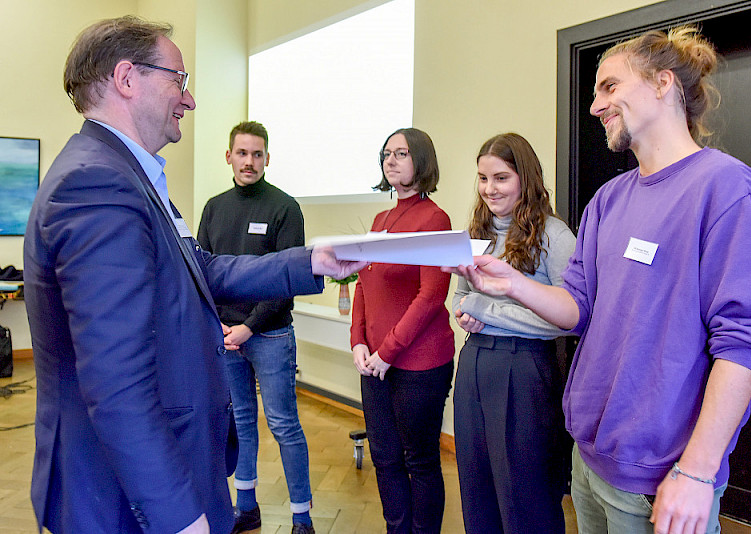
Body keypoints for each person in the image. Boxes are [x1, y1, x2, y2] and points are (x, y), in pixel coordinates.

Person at [449, 27, 751, 534]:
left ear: (662, 84)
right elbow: (577, 306)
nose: (595, 106)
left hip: (660, 475)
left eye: (609, 87)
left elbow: (745, 343)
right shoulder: (609, 198)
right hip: (589, 459)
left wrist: (697, 472)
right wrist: (512, 284)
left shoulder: (726, 189)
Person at [23, 16, 363, 534]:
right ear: (127, 79)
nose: (190, 99)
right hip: (123, 493)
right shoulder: (97, 184)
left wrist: (311, 260)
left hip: (160, 466)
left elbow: (198, 268)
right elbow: (115, 385)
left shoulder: (126, 173)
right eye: (179, 80)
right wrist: (179, 517)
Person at [452, 133, 575, 533]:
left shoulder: (555, 236)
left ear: (526, 178)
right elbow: (463, 297)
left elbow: (569, 318)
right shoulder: (477, 230)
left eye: (501, 178)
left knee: (525, 496)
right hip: (474, 364)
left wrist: (484, 309)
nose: (489, 189)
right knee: (476, 488)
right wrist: (466, 314)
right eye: (483, 179)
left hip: (523, 371)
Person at [197, 120, 314, 534]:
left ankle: (302, 516)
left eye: (257, 154)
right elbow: (203, 274)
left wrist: (247, 327)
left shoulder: (285, 208)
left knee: (283, 423)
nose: (250, 161)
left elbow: (286, 283)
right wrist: (220, 328)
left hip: (270, 335)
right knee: (241, 420)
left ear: (267, 158)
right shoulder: (214, 206)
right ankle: (245, 506)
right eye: (242, 153)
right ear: (229, 156)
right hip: (225, 337)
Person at [350, 128, 455, 533]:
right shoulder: (380, 219)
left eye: (402, 153)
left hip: (418, 363)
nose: (391, 160)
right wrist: (358, 341)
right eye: (387, 154)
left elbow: (431, 297)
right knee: (385, 458)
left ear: (422, 161)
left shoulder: (435, 218)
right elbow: (363, 283)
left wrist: (387, 351)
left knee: (420, 460)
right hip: (373, 361)